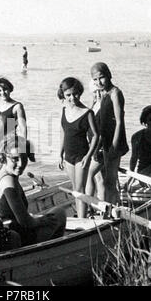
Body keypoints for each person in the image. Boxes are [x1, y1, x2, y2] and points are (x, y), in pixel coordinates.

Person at [0, 134, 66, 246]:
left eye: (24, 158)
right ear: (4, 157)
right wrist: (42, 220)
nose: (20, 164)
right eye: (15, 159)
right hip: (15, 236)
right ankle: (50, 253)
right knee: (60, 213)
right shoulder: (9, 181)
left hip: (7, 229)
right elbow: (25, 222)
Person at [58, 77, 99, 218]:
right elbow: (63, 133)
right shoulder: (64, 111)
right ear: (63, 94)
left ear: (80, 93)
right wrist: (60, 153)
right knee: (75, 189)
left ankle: (82, 219)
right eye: (68, 95)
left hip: (81, 156)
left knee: (80, 189)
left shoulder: (87, 113)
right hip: (68, 155)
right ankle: (83, 214)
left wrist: (88, 157)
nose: (72, 97)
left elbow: (95, 136)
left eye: (75, 94)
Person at [91, 62, 129, 205]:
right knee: (101, 178)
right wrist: (95, 101)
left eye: (101, 77)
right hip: (103, 142)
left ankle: (113, 210)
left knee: (110, 181)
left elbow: (119, 121)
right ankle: (107, 207)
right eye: (95, 79)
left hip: (114, 141)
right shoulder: (102, 94)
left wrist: (114, 146)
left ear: (109, 75)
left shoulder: (115, 93)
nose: (98, 82)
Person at [0, 77, 27, 178]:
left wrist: (22, 148)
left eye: (5, 89)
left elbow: (23, 128)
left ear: (10, 89)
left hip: (12, 148)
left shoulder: (17, 106)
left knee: (11, 176)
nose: (3, 92)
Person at [86, 79, 106, 201]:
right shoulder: (93, 107)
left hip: (100, 148)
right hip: (94, 147)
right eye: (95, 92)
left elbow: (102, 132)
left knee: (89, 175)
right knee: (100, 178)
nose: (98, 95)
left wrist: (95, 150)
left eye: (100, 91)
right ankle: (103, 207)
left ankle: (88, 207)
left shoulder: (104, 108)